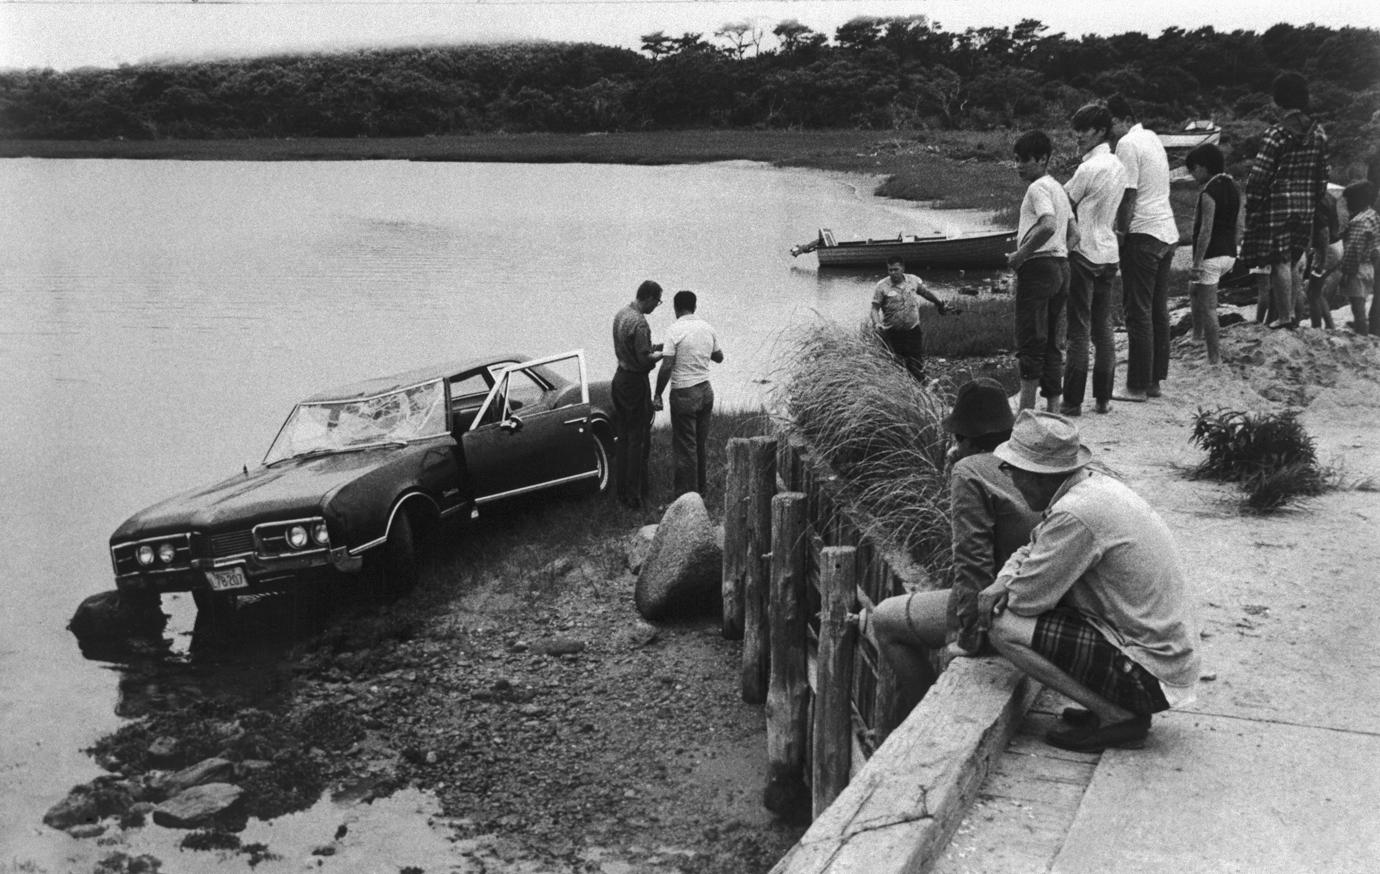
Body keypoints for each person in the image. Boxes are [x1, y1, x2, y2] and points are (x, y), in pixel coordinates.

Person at [978, 411, 1200, 752]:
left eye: (1012, 471)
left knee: (1003, 626)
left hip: (1150, 674)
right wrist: (1003, 580)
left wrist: (1005, 588)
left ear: (1037, 475)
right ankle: (1114, 708)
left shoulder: (1074, 514)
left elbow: (1026, 601)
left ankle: (1116, 716)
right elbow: (1033, 544)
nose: (1011, 481)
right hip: (1163, 657)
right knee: (1028, 611)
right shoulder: (1091, 488)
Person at [866, 379, 1041, 714]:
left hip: (1007, 606)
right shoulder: (1030, 461)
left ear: (965, 438)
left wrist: (966, 637)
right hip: (1040, 595)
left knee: (885, 619)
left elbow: (973, 561)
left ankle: (927, 713)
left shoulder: (970, 470)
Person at [1240, 72, 1331, 331]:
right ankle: (1291, 314)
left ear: (1279, 99)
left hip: (1278, 204)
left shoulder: (1276, 134)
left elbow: (1259, 175)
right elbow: (1324, 173)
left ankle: (1285, 316)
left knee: (1279, 260)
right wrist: (1313, 198)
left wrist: (1254, 204)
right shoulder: (1319, 133)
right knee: (1293, 260)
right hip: (1306, 205)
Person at [1108, 94, 1180, 402]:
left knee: (1137, 311)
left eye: (1108, 125)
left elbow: (1128, 196)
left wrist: (1120, 232)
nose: (1108, 133)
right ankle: (1154, 381)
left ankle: (1136, 385)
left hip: (1143, 232)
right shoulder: (1151, 137)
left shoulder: (1127, 144)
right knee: (1157, 310)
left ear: (1120, 120)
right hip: (1166, 230)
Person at [1062, 103, 1127, 416]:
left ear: (1100, 131)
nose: (1078, 136)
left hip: (1084, 252)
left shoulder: (1087, 169)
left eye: (1083, 129)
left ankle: (1072, 401)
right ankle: (1103, 399)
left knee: (1079, 330)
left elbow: (1063, 204)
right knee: (1104, 329)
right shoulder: (1118, 165)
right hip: (1109, 251)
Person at [1007, 130, 1074, 412]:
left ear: (1043, 159)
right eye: (1017, 160)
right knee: (1053, 343)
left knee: (1031, 340)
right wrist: (1060, 252)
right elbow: (1075, 234)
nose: (1019, 165)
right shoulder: (1058, 187)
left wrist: (1020, 256)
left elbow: (1047, 224)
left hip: (1038, 267)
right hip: (1061, 265)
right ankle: (1053, 410)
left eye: (1025, 160)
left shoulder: (1037, 189)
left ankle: (1026, 413)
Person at [653, 290, 724, 497]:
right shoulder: (707, 328)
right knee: (699, 444)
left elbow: (666, 366)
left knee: (686, 447)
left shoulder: (674, 330)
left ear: (676, 308)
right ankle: (701, 489)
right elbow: (719, 357)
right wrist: (700, 352)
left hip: (684, 392)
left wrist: (657, 394)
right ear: (695, 306)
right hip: (705, 391)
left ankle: (687, 497)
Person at [1181, 143, 1243, 365]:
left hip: (1212, 255)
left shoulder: (1209, 191)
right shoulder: (1232, 187)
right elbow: (1238, 223)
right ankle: (1197, 337)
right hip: (1228, 253)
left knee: (1209, 308)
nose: (1192, 175)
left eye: (1193, 170)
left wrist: (1196, 263)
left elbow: (1206, 229)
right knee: (1194, 290)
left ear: (1203, 167)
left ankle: (1213, 358)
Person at [611, 280, 664, 509]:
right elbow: (644, 359)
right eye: (657, 301)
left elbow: (632, 350)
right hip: (635, 383)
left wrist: (651, 349)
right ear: (649, 298)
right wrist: (662, 354)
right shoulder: (640, 323)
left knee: (623, 437)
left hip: (620, 378)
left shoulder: (621, 314)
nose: (656, 306)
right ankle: (635, 496)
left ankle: (620, 490)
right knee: (638, 439)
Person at [871, 256, 949, 382]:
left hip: (913, 330)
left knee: (916, 360)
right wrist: (877, 324)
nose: (893, 273)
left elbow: (926, 293)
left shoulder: (913, 280)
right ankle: (901, 390)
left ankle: (921, 386)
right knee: (896, 363)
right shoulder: (882, 286)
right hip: (892, 332)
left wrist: (939, 303)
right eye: (890, 270)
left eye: (896, 269)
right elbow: (874, 308)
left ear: (903, 268)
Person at [1339, 180, 1379, 335]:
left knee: (1357, 305)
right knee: (1363, 300)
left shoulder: (1358, 222)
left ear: (1358, 200)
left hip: (1358, 267)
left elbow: (1354, 249)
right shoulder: (1373, 215)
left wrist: (1347, 271)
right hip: (1370, 265)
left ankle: (1361, 334)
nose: (1347, 204)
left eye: (1349, 200)